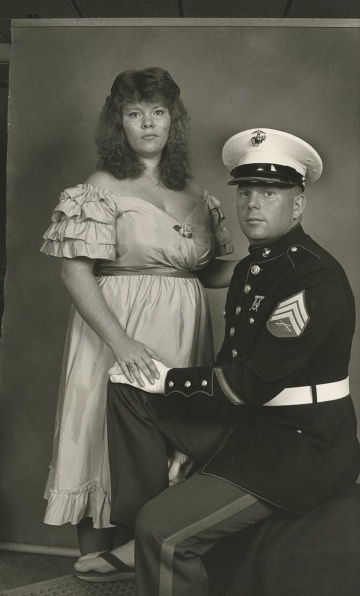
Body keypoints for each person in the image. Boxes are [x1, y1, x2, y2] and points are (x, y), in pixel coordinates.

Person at [74, 127, 360, 594]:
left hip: (298, 445)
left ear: (298, 204)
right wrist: (159, 388)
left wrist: (170, 382)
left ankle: (155, 533)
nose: (251, 204)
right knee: (128, 385)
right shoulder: (255, 267)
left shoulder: (313, 279)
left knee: (163, 530)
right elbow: (232, 359)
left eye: (269, 193)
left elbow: (248, 384)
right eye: (246, 192)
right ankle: (143, 531)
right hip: (249, 425)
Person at [40, 67, 236, 558]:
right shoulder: (102, 184)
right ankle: (91, 566)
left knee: (168, 444)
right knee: (100, 439)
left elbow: (203, 273)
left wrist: (267, 263)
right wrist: (122, 343)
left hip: (183, 332)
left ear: (174, 121)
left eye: (158, 112)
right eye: (134, 114)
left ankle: (141, 564)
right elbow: (75, 273)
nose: (148, 123)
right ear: (118, 123)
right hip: (115, 329)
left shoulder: (193, 192)